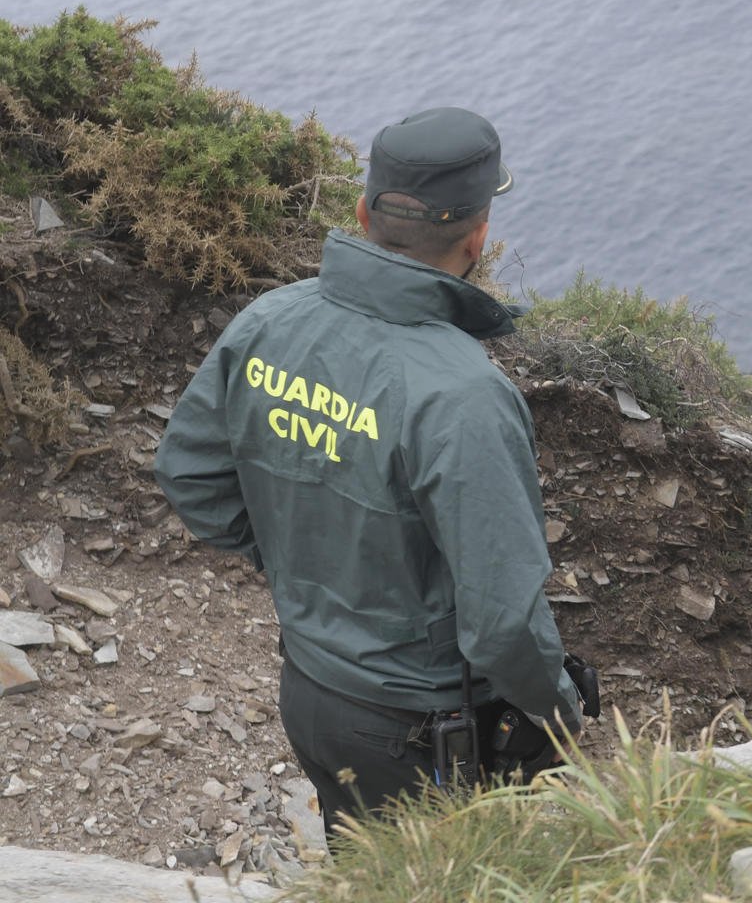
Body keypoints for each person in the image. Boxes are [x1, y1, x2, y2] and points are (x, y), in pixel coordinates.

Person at [153, 107, 585, 833]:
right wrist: (559, 711)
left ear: (362, 212)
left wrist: (306, 565)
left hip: (312, 691)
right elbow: (504, 620)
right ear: (479, 235)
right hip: (416, 727)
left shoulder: (270, 320)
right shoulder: (464, 395)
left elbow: (190, 476)